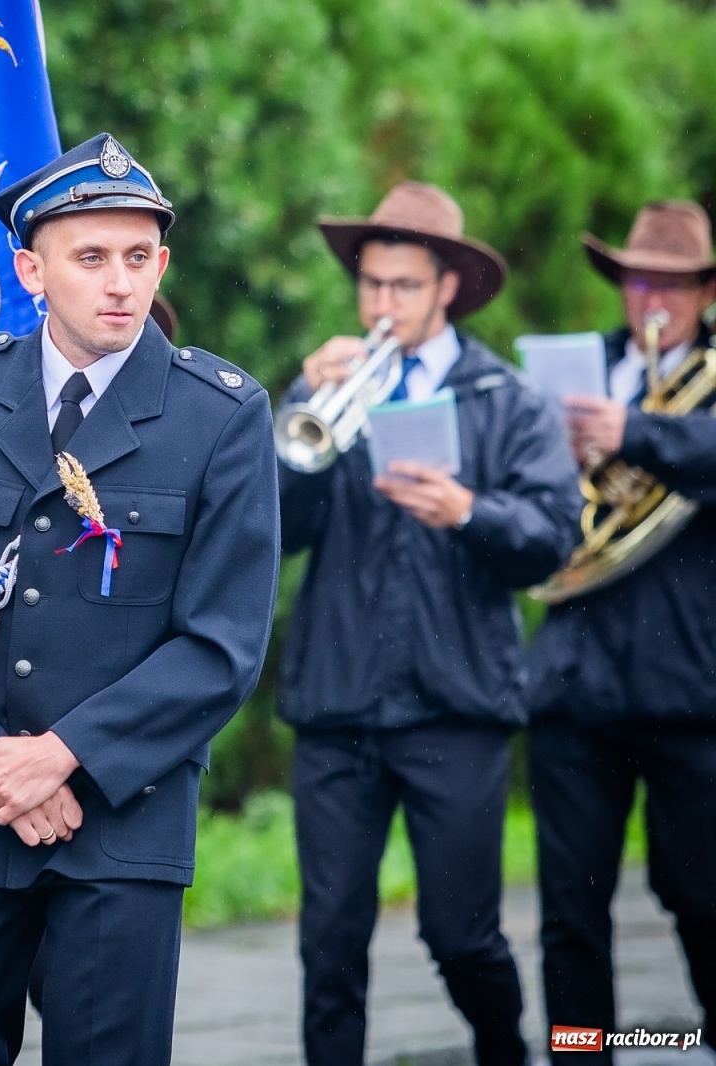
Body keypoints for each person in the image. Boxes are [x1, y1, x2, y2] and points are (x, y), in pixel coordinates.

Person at [0, 133, 281, 1066]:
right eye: (91, 258)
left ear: (163, 263)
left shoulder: (218, 416)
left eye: (138, 258)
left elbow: (221, 646)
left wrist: (63, 759)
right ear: (32, 268)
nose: (120, 283)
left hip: (118, 827)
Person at [277, 181, 580, 1066]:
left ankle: (504, 1049)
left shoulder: (508, 400)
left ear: (446, 286)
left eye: (403, 286)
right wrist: (302, 393)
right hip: (338, 711)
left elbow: (553, 539)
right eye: (371, 285)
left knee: (461, 935)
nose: (382, 306)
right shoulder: (334, 391)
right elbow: (272, 527)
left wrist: (466, 512)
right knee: (328, 940)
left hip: (457, 711)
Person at [527, 200, 716, 1058]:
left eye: (674, 285)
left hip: (690, 687)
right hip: (574, 680)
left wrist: (631, 430)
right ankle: (581, 1053)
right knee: (570, 907)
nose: (655, 299)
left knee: (705, 895)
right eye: (641, 280)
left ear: (704, 292)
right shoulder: (580, 368)